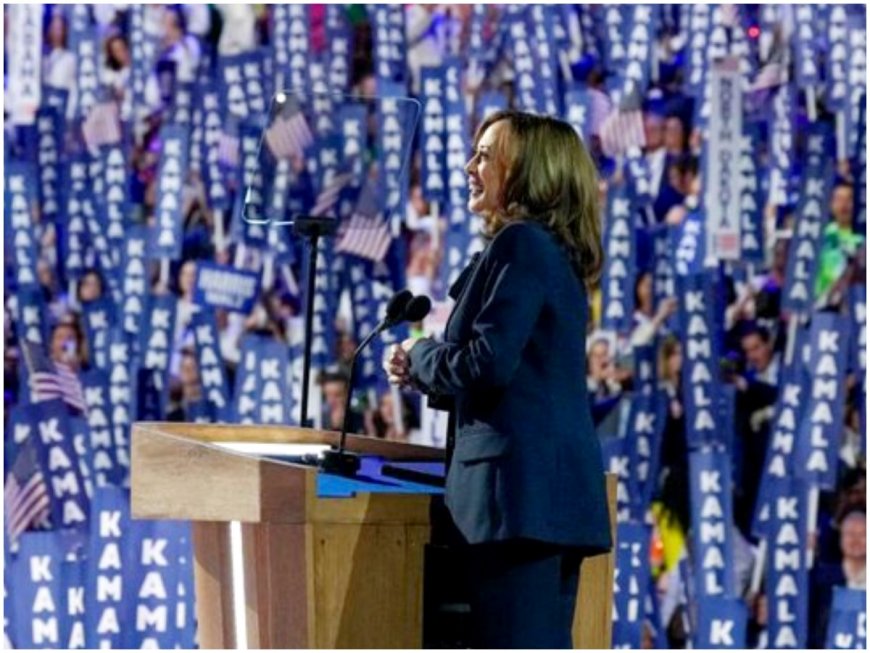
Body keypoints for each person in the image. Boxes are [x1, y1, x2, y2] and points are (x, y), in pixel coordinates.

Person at [384, 110, 612, 648]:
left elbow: (489, 361)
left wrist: (421, 356)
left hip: (517, 502)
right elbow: (522, 375)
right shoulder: (548, 251)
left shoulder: (522, 244)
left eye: (485, 156)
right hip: (539, 501)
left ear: (530, 172)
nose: (470, 166)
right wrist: (429, 373)